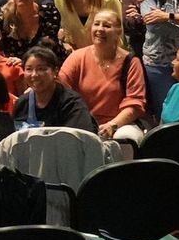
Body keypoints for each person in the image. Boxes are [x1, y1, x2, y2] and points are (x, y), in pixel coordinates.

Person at [58, 9, 147, 148]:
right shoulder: (77, 57)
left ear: (118, 32)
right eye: (97, 24)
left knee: (124, 139)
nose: (100, 29)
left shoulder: (131, 62)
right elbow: (60, 89)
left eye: (106, 26)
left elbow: (135, 104)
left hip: (120, 125)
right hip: (82, 124)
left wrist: (113, 125)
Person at [12, 45, 96, 130]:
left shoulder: (72, 104)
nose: (34, 75)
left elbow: (79, 138)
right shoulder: (21, 104)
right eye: (29, 69)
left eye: (41, 69)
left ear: (55, 71)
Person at [0, 0, 65, 60]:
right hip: (15, 69)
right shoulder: (2, 16)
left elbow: (54, 49)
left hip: (48, 66)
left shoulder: (50, 13)